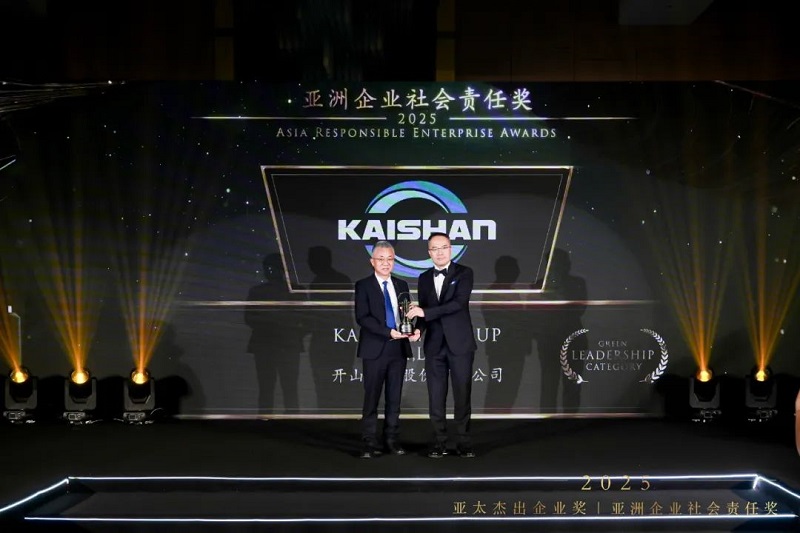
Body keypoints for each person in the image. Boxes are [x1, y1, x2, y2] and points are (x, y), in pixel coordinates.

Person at [405, 232, 477, 458]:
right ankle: (439, 442)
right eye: (434, 249)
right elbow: (424, 310)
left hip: (460, 344)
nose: (439, 252)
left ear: (450, 249)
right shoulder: (424, 277)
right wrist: (419, 329)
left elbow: (457, 304)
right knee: (435, 397)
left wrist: (424, 313)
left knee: (462, 394)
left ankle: (464, 443)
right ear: (429, 253)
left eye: (443, 247)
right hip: (434, 345)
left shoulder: (464, 273)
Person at [354, 240, 418, 458]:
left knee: (394, 397)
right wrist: (388, 332)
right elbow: (362, 317)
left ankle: (391, 439)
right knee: (371, 397)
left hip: (398, 349)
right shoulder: (363, 285)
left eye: (390, 259)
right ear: (372, 261)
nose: (385, 263)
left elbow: (406, 315)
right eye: (381, 259)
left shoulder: (402, 285)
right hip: (375, 348)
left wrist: (413, 328)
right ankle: (369, 442)